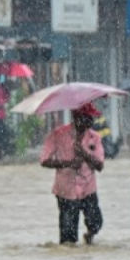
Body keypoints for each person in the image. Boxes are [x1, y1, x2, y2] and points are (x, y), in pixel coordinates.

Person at [40, 104, 105, 245]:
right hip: (66, 190)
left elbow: (100, 165)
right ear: (76, 117)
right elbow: (44, 160)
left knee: (96, 223)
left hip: (88, 188)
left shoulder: (94, 137)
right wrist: (67, 163)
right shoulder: (58, 135)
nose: (91, 121)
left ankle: (89, 236)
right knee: (68, 235)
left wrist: (84, 154)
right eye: (88, 117)